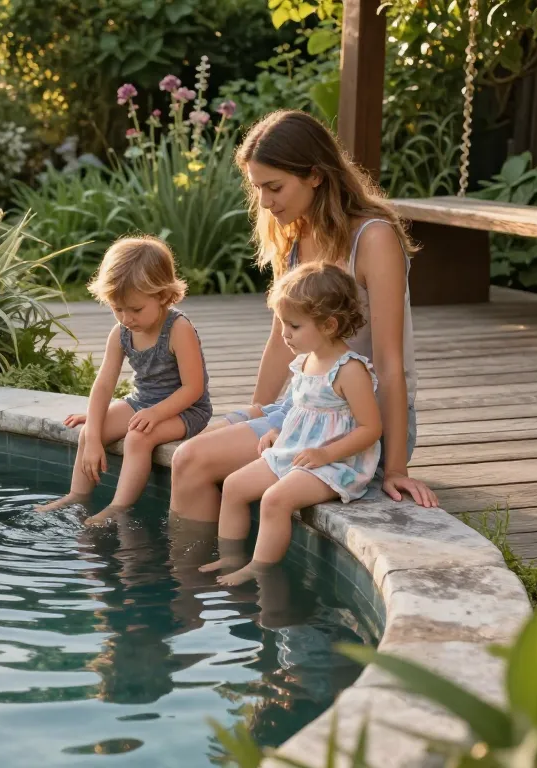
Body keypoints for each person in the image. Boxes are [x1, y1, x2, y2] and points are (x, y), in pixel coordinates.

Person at [170, 109, 438, 526]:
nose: (263, 201)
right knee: (188, 455)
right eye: (257, 188)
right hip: (302, 408)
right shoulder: (297, 239)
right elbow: (282, 339)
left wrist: (397, 467)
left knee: (196, 461)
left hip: (356, 420)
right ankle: (198, 577)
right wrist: (258, 409)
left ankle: (212, 579)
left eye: (273, 187)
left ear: (315, 174)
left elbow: (389, 363)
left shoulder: (374, 240)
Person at [200, 262, 382, 583]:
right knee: (234, 486)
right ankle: (231, 558)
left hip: (335, 463)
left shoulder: (349, 370)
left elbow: (371, 428)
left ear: (329, 325)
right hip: (297, 450)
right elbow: (301, 412)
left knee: (275, 500)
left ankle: (260, 567)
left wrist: (325, 455)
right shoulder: (305, 361)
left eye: (294, 326)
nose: (284, 334)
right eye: (283, 324)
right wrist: (277, 432)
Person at [35, 235, 213, 525]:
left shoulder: (178, 329)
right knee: (88, 432)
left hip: (184, 409)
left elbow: (193, 389)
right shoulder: (121, 333)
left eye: (135, 309)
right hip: (142, 402)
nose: (127, 318)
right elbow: (104, 384)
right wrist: (94, 432)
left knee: (138, 437)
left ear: (163, 295)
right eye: (118, 309)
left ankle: (118, 507)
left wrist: (155, 414)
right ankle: (77, 496)